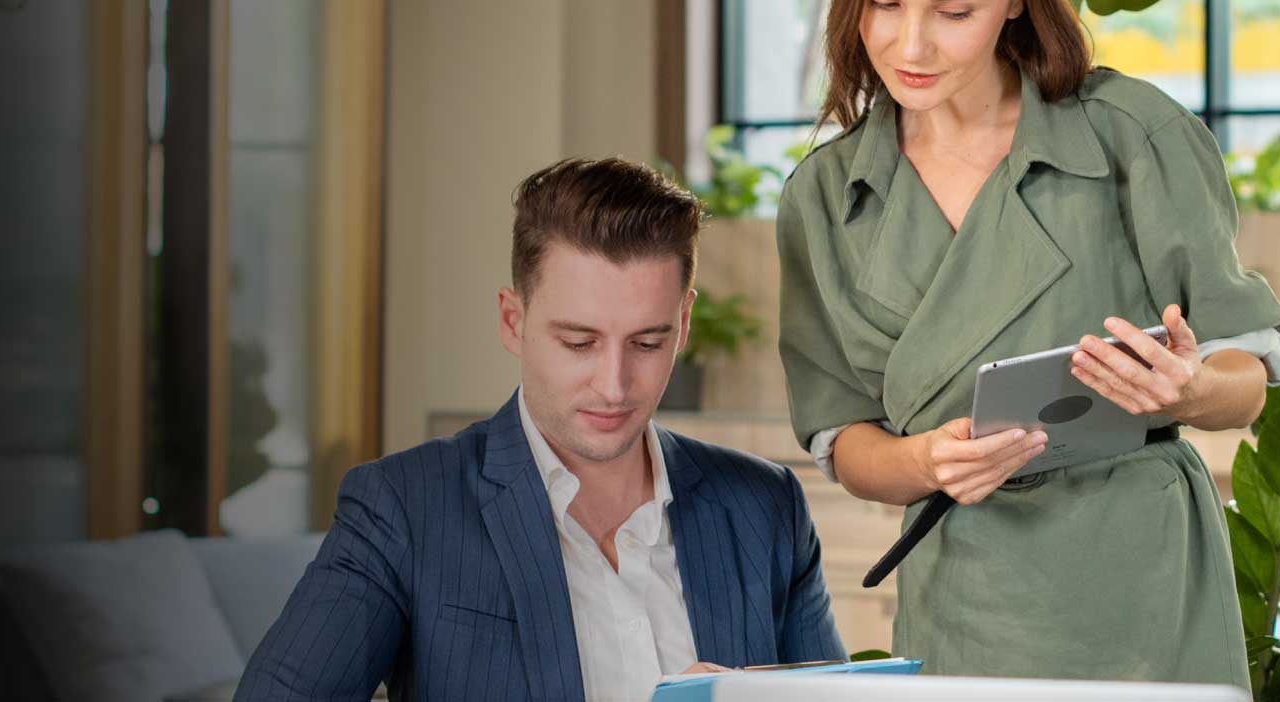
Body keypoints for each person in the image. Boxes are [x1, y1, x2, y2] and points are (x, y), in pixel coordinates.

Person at [775, 0, 1280, 686]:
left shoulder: (1133, 137)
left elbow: (1248, 371)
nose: (911, 45)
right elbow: (841, 437)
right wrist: (925, 463)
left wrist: (1191, 389)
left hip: (1140, 590)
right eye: (882, 2)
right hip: (965, 591)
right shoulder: (825, 200)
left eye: (954, 10)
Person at [237, 158, 842, 702]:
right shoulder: (404, 508)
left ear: (682, 325)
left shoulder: (766, 510)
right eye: (579, 343)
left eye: (647, 342)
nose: (614, 383)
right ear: (513, 320)